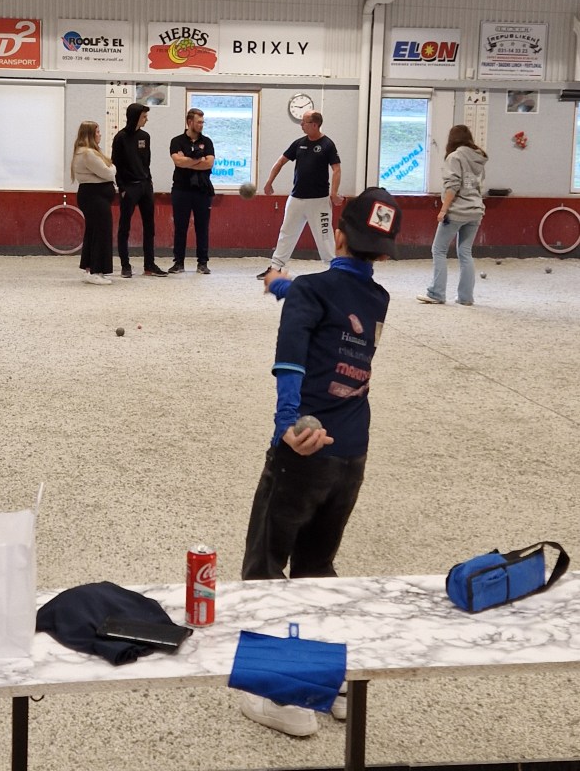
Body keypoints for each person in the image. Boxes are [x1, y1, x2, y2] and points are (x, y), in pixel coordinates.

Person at [240, 187, 402, 737]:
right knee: (317, 567)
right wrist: (282, 286)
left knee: (265, 566)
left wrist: (288, 425)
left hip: (304, 452)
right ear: (383, 253)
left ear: (339, 232)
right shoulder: (377, 300)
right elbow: (336, 309)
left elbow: (290, 362)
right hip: (351, 455)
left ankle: (283, 700)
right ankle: (332, 685)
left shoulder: (313, 291)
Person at [256, 111, 342, 280]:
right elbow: (280, 161)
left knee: (325, 237)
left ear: (315, 125)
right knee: (286, 233)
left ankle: (336, 270)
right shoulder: (299, 143)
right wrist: (269, 182)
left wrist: (334, 193)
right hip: (296, 199)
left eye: (304, 122)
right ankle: (275, 267)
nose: (301, 125)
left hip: (319, 201)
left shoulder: (327, 144)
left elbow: (337, 169)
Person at [417, 125, 488, 306]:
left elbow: (453, 186)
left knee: (438, 250)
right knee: (465, 252)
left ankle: (437, 293)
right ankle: (466, 297)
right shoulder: (479, 158)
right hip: (476, 210)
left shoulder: (454, 157)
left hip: (457, 211)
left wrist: (443, 209)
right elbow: (479, 186)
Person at [111, 102, 168, 278]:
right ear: (135, 117)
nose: (146, 119)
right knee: (124, 227)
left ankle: (149, 264)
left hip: (145, 186)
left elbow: (146, 161)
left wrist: (148, 181)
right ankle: (125, 265)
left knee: (149, 226)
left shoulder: (145, 136)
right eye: (144, 116)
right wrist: (122, 187)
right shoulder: (120, 138)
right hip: (129, 187)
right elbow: (116, 164)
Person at [168, 108, 215, 274]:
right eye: (198, 122)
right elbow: (178, 162)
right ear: (189, 122)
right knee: (180, 227)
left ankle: (202, 263)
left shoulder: (207, 142)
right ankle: (178, 262)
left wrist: (187, 160)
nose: (201, 125)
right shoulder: (177, 141)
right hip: (181, 190)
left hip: (202, 190)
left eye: (203, 122)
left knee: (202, 227)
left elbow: (209, 164)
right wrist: (198, 159)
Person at [70, 121, 116, 285]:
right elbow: (108, 172)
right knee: (101, 232)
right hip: (94, 197)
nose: (100, 134)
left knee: (93, 231)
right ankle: (96, 270)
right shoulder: (87, 154)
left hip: (94, 196)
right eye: (97, 132)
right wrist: (113, 167)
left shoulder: (88, 152)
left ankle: (90, 268)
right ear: (90, 134)